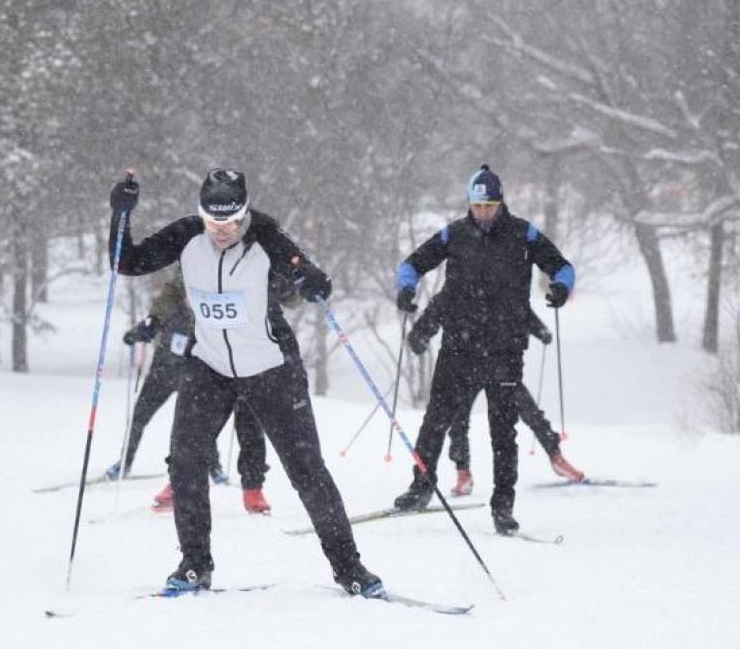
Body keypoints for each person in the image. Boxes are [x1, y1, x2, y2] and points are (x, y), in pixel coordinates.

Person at [108, 168, 384, 597]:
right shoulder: (187, 235)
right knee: (185, 461)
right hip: (210, 366)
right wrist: (121, 214)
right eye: (213, 221)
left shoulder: (266, 238)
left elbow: (309, 275)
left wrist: (312, 280)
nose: (222, 231)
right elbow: (125, 262)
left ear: (245, 214)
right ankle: (195, 565)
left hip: (271, 368)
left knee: (307, 470)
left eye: (232, 221)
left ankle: (350, 568)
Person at [391, 164, 576, 535]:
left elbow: (562, 267)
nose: (484, 213)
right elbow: (412, 264)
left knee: (503, 431)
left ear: (500, 203)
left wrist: (560, 288)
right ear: (469, 204)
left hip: (505, 349)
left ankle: (503, 506)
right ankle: (420, 487)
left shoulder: (523, 233)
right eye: (477, 206)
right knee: (435, 421)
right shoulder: (454, 234)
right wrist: (407, 288)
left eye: (490, 206)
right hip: (458, 346)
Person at [108, 269, 273, 514]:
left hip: (198, 375)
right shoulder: (172, 308)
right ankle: (126, 462)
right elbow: (149, 322)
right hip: (162, 376)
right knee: (143, 417)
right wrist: (135, 335)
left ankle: (218, 471)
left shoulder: (212, 317)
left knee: (205, 423)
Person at [407, 288, 585, 497]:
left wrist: (540, 330)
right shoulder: (459, 284)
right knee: (460, 420)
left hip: (498, 363)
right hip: (467, 363)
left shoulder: (502, 283)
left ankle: (556, 457)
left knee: (527, 410)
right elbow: (440, 306)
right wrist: (420, 335)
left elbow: (518, 307)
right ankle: (463, 472)